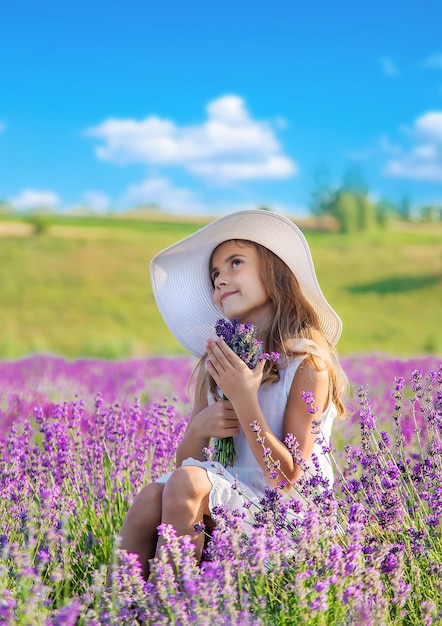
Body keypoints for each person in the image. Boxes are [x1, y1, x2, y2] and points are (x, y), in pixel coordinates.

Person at [115, 209, 347, 581]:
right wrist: (198, 430)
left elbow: (287, 479)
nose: (220, 279)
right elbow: (186, 466)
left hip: (284, 521)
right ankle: (117, 609)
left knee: (189, 483)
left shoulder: (307, 364)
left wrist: (245, 399)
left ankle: (175, 608)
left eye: (235, 263)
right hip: (228, 506)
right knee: (149, 497)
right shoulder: (218, 364)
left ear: (275, 274)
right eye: (214, 275)